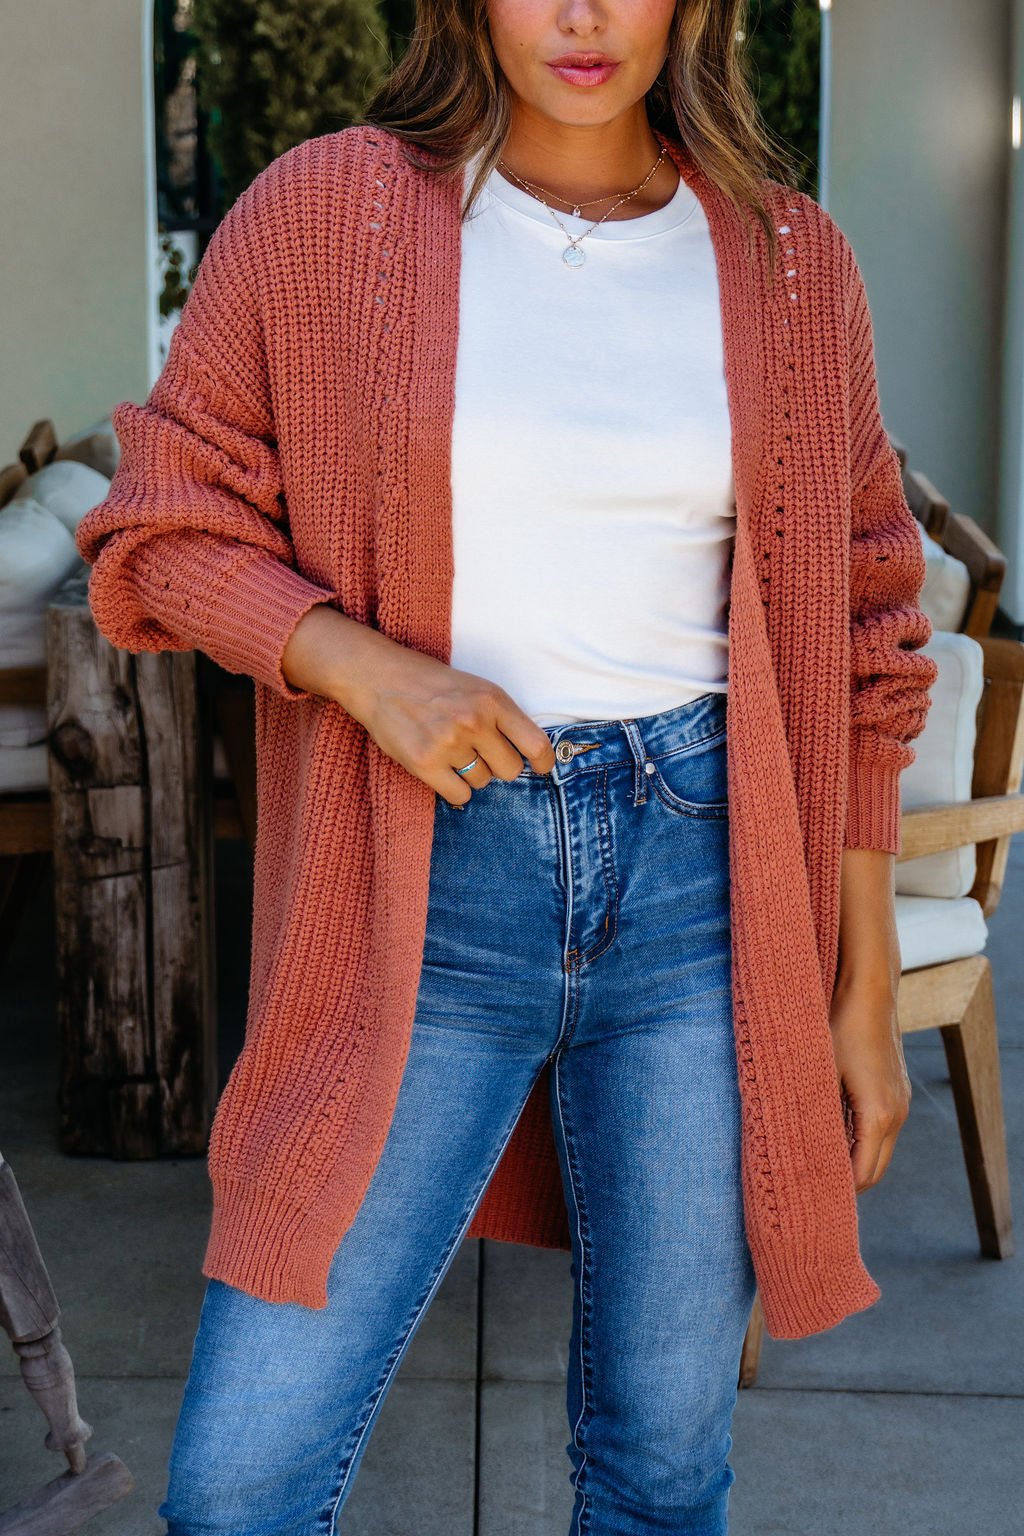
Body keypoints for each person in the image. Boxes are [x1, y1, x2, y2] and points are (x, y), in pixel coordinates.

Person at [73, 2, 938, 1532]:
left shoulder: (790, 260)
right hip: (423, 884)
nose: (584, 14)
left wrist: (862, 993)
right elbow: (161, 524)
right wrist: (363, 667)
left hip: (706, 898)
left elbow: (869, 631)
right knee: (241, 1482)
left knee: (662, 1467)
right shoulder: (324, 216)